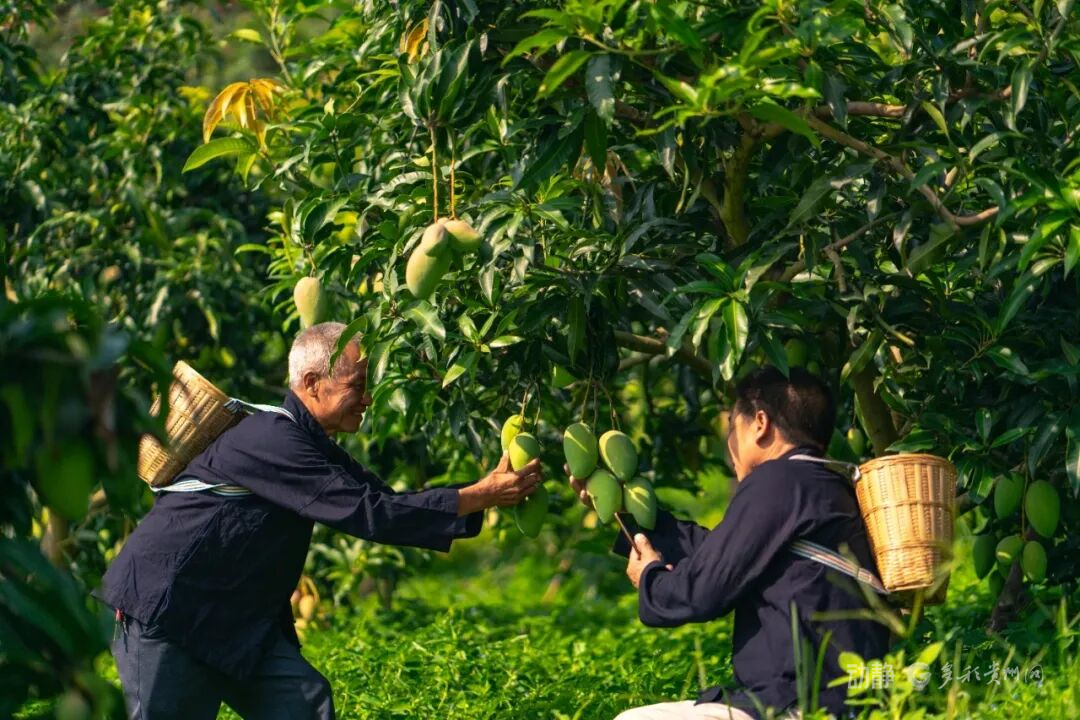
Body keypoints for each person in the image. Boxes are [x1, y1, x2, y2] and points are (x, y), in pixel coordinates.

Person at [95, 322, 542, 719]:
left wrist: (483, 494)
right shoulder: (273, 440)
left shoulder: (305, 441)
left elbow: (384, 501)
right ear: (312, 384)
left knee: (301, 704)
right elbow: (371, 515)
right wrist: (481, 494)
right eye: (358, 384)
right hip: (172, 613)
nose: (367, 399)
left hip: (232, 620)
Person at [569, 367, 891, 720]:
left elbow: (703, 591)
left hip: (802, 704)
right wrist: (628, 514)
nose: (730, 444)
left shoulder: (778, 480)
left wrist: (652, 578)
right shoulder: (819, 485)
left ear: (760, 423)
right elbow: (723, 552)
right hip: (825, 698)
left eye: (731, 427)